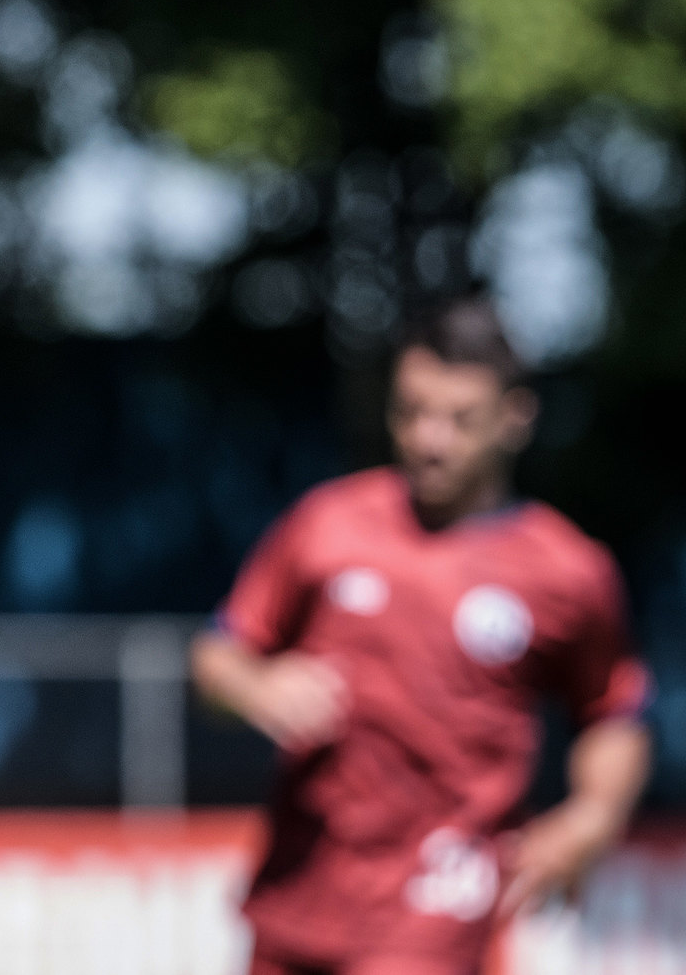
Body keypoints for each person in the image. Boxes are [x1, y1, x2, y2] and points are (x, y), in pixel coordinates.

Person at [192, 296, 650, 975]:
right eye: (412, 411)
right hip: (300, 893)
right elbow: (217, 653)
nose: (429, 439)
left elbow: (614, 710)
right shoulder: (328, 523)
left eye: (459, 419)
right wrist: (256, 683)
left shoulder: (566, 570)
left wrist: (592, 816)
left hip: (439, 905)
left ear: (514, 418)